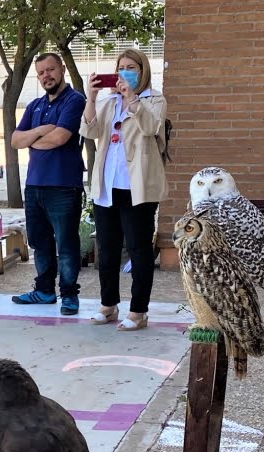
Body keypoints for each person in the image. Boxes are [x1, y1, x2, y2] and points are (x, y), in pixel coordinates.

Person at [81, 49, 167, 331]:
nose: (125, 72)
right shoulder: (107, 102)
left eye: (131, 67)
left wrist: (132, 98)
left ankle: (139, 310)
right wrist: (91, 98)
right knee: (106, 249)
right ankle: (108, 305)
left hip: (137, 187)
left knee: (138, 249)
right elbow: (89, 131)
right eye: (121, 68)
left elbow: (151, 127)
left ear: (142, 71)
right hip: (107, 186)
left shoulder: (154, 99)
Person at [9, 53, 86, 316]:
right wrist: (42, 131)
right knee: (40, 243)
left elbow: (61, 138)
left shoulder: (75, 101)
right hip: (35, 186)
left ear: (62, 69)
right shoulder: (35, 105)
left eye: (50, 70)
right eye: (41, 72)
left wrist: (33, 138)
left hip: (64, 186)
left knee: (66, 244)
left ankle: (68, 295)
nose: (46, 76)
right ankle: (43, 290)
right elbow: (16, 141)